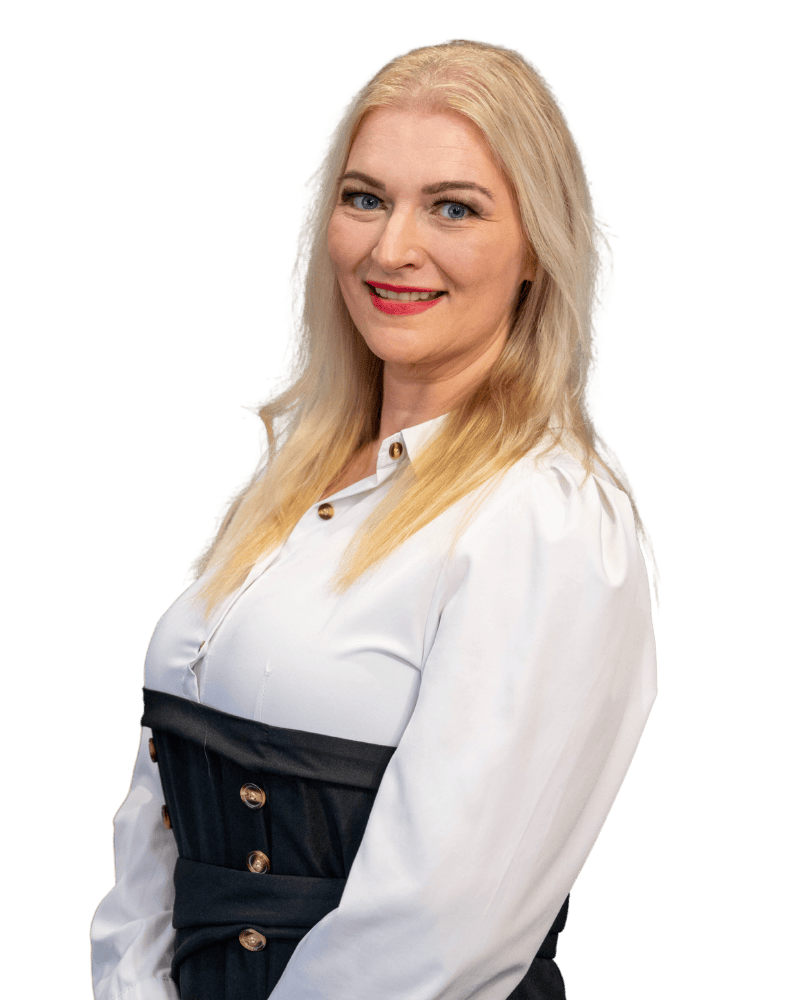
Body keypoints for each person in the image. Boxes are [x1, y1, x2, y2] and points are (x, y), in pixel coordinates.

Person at [90, 37, 659, 1000]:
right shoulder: (290, 485)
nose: (390, 249)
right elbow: (155, 841)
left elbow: (441, 930)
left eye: (453, 207)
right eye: (365, 199)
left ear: (535, 250)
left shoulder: (547, 518)